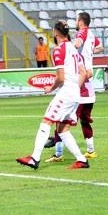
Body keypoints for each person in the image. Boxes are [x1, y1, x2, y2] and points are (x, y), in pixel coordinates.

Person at [16, 21, 90, 170]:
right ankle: (81, 160)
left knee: (46, 121)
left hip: (67, 92)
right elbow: (84, 73)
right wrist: (75, 88)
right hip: (75, 93)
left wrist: (51, 88)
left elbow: (60, 78)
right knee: (63, 129)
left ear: (55, 33)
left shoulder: (58, 50)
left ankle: (34, 158)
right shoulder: (74, 48)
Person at [44, 12, 103, 162]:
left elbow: (76, 44)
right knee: (84, 119)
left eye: (77, 20)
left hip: (80, 83)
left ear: (80, 21)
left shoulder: (82, 32)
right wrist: (89, 53)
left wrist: (70, 48)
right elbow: (100, 47)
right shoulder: (92, 35)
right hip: (88, 84)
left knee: (60, 119)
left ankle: (59, 153)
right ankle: (90, 150)